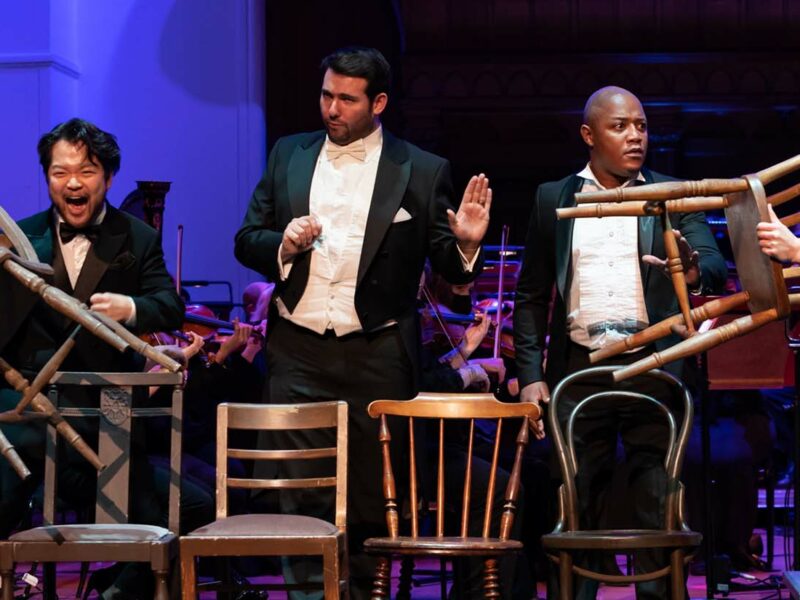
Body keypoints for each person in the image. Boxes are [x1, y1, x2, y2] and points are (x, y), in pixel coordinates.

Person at [234, 46, 490, 598]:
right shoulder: (289, 155)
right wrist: (283, 241)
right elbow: (246, 239)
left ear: (378, 102)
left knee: (376, 497)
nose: (331, 108)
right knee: (300, 493)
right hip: (298, 348)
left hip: (377, 350)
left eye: (346, 99)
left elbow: (446, 262)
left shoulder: (421, 169)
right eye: (326, 94)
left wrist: (466, 246)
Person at [513, 86, 726, 599]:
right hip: (579, 372)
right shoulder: (553, 198)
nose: (635, 136)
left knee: (657, 500)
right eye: (620, 126)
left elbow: (714, 267)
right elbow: (530, 295)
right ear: (589, 135)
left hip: (656, 369)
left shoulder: (674, 193)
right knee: (579, 501)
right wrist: (531, 377)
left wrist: (692, 270)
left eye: (642, 126)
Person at [0, 118, 213, 599]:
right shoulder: (19, 239)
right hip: (29, 412)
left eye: (86, 171)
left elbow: (170, 304)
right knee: (6, 490)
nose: (73, 183)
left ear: (108, 177)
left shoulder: (135, 237)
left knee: (179, 513)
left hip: (108, 416)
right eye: (60, 172)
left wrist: (132, 308)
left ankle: (110, 593)